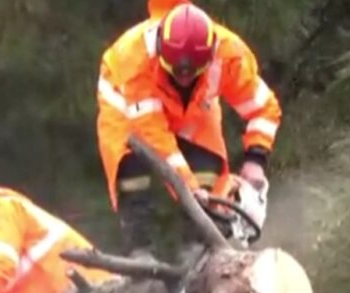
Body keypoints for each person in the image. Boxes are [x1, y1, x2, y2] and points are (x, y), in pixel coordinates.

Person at [96, 0, 282, 258]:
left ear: (209, 57)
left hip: (191, 110)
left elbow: (264, 108)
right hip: (128, 109)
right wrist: (190, 188)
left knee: (208, 170)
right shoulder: (135, 62)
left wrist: (256, 160)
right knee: (133, 170)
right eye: (176, 72)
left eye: (191, 73)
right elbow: (156, 141)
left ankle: (197, 250)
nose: (183, 79)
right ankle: (140, 252)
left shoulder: (230, 55)